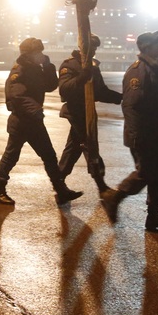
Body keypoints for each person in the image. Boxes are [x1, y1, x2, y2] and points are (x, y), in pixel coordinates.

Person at [102, 31, 158, 232]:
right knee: (145, 174)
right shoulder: (138, 71)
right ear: (147, 48)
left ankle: (154, 217)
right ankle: (113, 197)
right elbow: (131, 106)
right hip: (145, 135)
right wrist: (137, 136)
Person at [0, 37, 83, 206]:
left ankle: (61, 190)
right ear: (29, 54)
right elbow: (17, 95)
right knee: (11, 155)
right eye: (38, 52)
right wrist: (35, 110)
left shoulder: (35, 68)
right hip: (21, 121)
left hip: (33, 121)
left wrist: (48, 66)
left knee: (49, 156)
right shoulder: (19, 69)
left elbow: (50, 86)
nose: (41, 55)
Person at [58, 34, 122, 199]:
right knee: (90, 146)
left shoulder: (92, 66)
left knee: (73, 149)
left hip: (88, 112)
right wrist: (82, 77)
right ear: (81, 46)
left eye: (95, 48)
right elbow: (65, 90)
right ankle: (102, 187)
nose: (93, 51)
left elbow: (100, 92)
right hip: (75, 112)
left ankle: (59, 184)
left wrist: (121, 98)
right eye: (90, 47)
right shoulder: (69, 65)